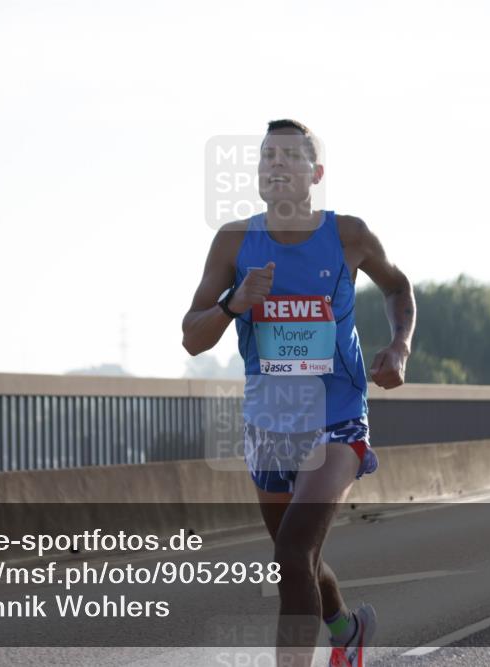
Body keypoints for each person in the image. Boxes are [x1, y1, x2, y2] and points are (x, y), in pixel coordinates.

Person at [182, 119, 415, 667]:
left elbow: (398, 287)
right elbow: (193, 336)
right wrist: (233, 304)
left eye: (289, 156)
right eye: (267, 156)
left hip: (338, 416)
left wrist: (399, 346)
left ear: (317, 173)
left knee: (293, 548)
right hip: (271, 421)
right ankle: (347, 628)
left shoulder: (348, 235)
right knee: (295, 558)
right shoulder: (235, 242)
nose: (276, 165)